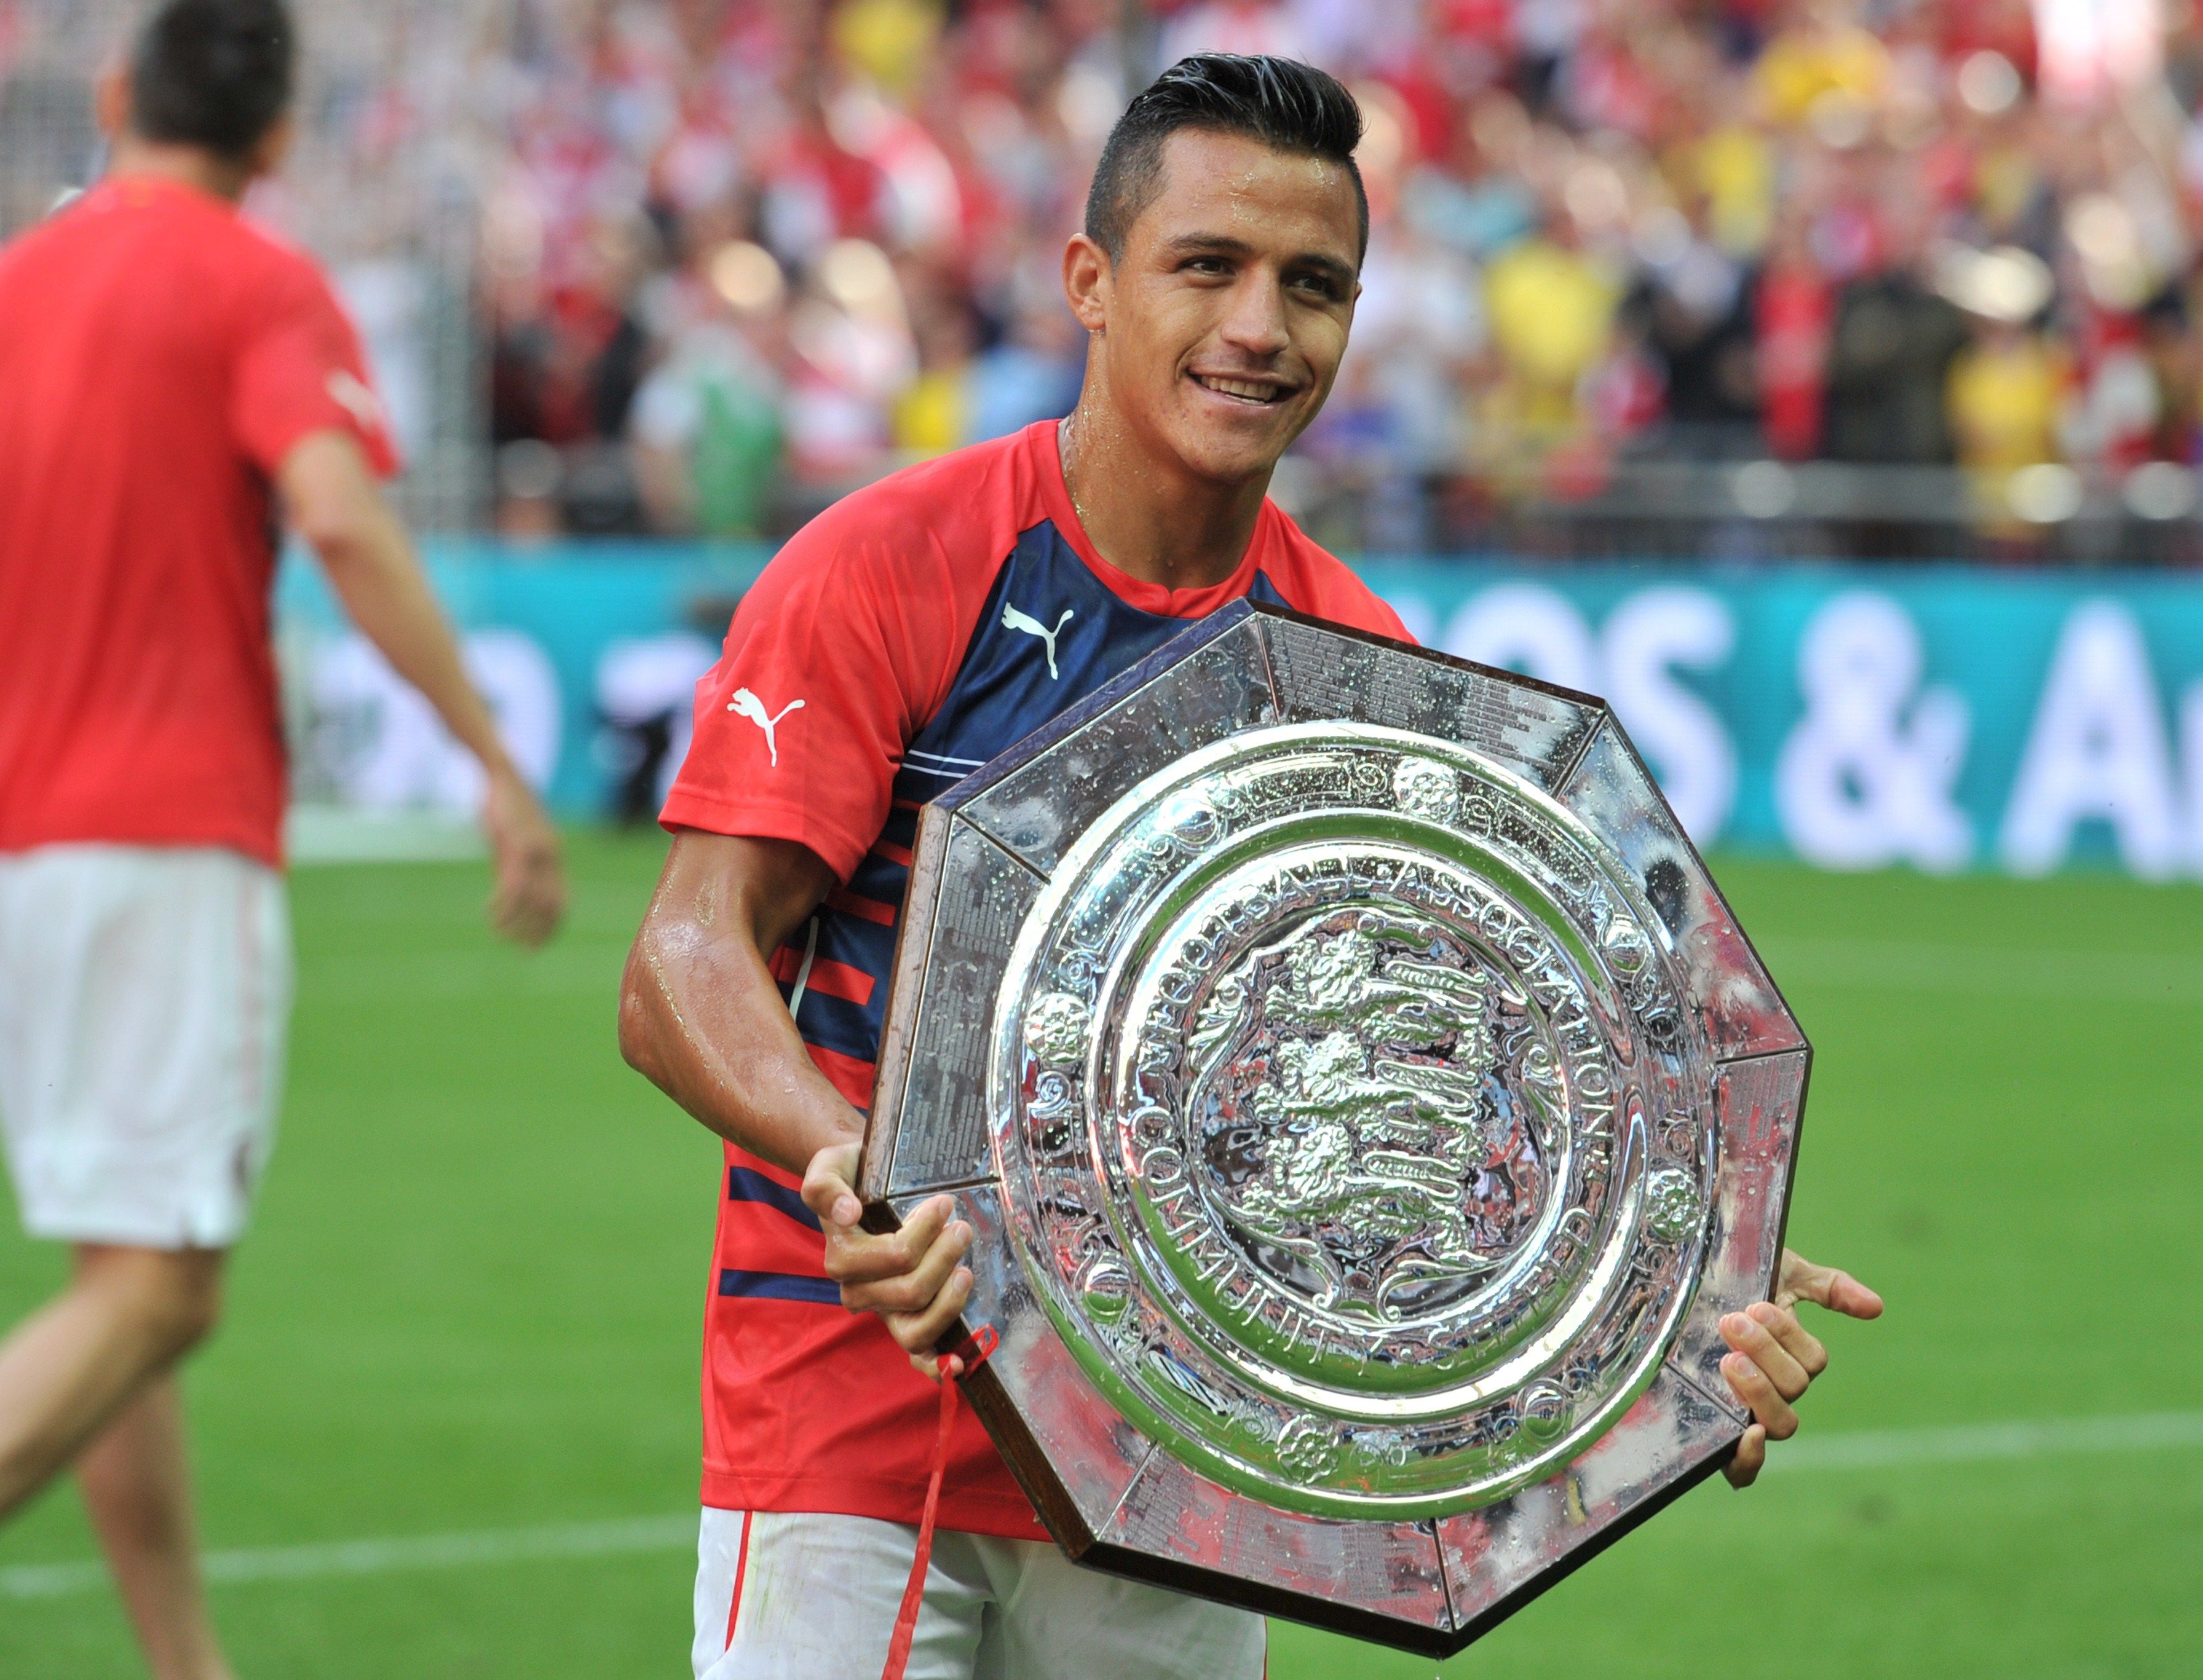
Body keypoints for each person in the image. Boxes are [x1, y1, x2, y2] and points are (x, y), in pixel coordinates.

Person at [620, 52, 1882, 1680]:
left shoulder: (1361, 662)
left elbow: (1462, 1100)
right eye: (1206, 267)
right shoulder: (891, 566)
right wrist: (841, 1157)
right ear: (1090, 281)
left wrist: (1676, 1309)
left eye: (1315, 286)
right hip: (861, 1433)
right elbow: (682, 968)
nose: (1261, 330)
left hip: (1185, 1459)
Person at [0, 4, 566, 1676]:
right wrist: (492, 760)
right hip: (170, 831)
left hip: (4, 851)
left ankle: (183, 1666)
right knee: (162, 1293)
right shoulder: (250, 282)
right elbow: (339, 513)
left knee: (111, 1277)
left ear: (111, 100)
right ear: (277, 141)